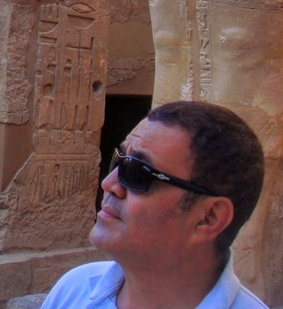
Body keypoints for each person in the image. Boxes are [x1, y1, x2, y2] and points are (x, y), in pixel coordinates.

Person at [40, 101, 267, 309]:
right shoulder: (74, 291)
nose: (109, 184)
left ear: (208, 218)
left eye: (137, 172)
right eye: (118, 161)